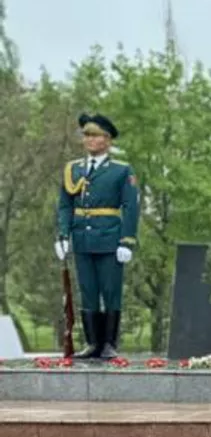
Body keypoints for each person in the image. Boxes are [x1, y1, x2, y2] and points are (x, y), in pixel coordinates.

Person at [56, 113, 140, 361]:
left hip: (109, 239)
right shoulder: (73, 169)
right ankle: (93, 343)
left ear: (108, 140)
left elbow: (130, 207)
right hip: (82, 239)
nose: (90, 140)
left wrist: (127, 240)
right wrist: (63, 235)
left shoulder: (121, 170)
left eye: (95, 135)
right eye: (87, 135)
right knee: (88, 291)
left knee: (111, 291)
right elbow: (65, 205)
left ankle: (109, 344)